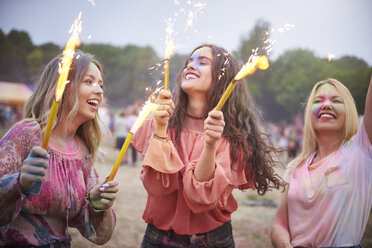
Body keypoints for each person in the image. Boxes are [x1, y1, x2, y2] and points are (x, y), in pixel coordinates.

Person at [132, 44, 285, 247]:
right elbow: (157, 187)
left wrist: (211, 144)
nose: (190, 66)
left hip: (213, 240)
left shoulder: (231, 137)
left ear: (222, 76)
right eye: (189, 62)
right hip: (159, 238)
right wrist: (161, 129)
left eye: (202, 62)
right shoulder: (158, 121)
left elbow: (201, 198)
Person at [0, 50, 119, 247]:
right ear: (62, 86)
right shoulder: (26, 134)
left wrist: (97, 205)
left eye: (100, 85)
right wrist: (19, 182)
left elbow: (93, 230)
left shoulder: (82, 151)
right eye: (89, 81)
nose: (99, 91)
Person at [271, 77, 372, 248]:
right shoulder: (295, 169)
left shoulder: (361, 151)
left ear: (349, 110)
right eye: (318, 101)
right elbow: (280, 224)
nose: (326, 105)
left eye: (336, 100)